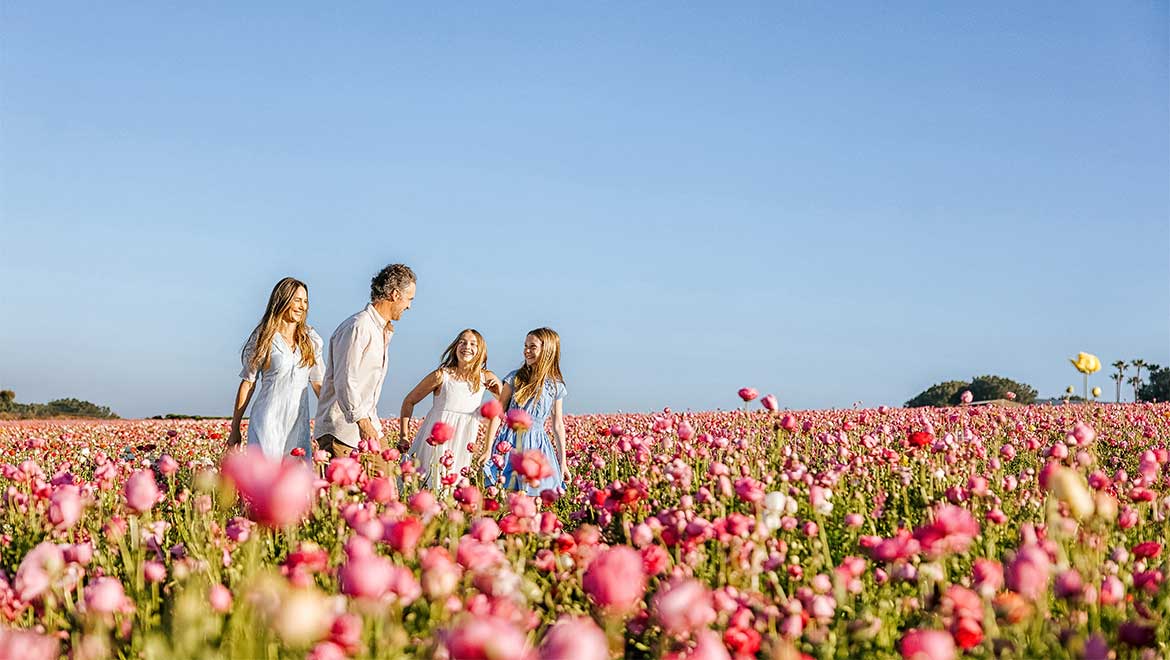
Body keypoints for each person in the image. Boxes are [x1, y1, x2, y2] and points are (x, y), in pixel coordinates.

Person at [314, 264, 416, 457]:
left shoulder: (382, 330)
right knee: (343, 487)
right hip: (342, 430)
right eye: (409, 299)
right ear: (395, 294)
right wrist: (362, 421)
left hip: (368, 424)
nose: (409, 306)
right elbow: (345, 379)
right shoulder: (359, 327)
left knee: (386, 483)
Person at [228, 278, 325, 463]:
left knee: (297, 483)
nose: (302, 306)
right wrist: (235, 428)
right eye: (297, 300)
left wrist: (336, 417)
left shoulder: (311, 340)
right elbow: (248, 383)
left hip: (298, 423)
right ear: (282, 299)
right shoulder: (264, 337)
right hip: (267, 421)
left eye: (305, 301)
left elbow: (319, 383)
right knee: (266, 483)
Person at [400, 329, 502, 488]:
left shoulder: (487, 378)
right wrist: (403, 436)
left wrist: (488, 448)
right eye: (462, 342)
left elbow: (502, 411)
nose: (467, 346)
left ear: (480, 350)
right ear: (455, 347)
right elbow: (409, 401)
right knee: (428, 483)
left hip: (464, 439)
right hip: (435, 441)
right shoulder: (442, 375)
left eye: (473, 344)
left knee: (455, 489)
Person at [481, 327, 568, 494]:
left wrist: (562, 462)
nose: (526, 351)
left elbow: (558, 425)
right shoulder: (515, 378)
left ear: (547, 350)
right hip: (511, 443)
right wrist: (487, 448)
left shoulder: (556, 386)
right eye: (525, 346)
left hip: (537, 445)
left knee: (534, 498)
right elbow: (498, 415)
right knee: (510, 495)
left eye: (532, 347)